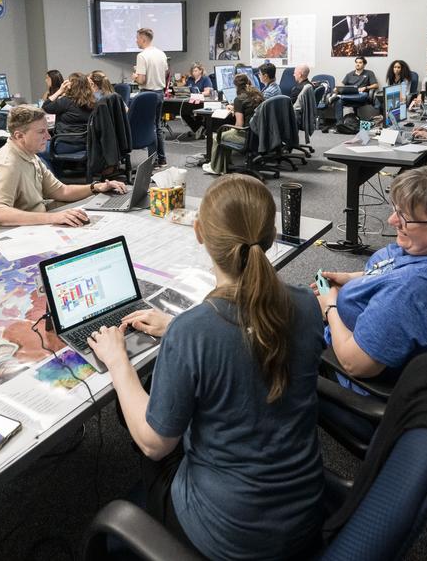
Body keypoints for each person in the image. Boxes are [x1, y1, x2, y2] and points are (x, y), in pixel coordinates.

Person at [87, 175, 325, 560]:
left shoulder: (194, 331)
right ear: (272, 234)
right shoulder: (306, 304)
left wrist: (118, 362)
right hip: (304, 511)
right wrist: (177, 332)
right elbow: (246, 340)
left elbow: (153, 444)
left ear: (198, 233)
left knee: (136, 413)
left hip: (228, 535)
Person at [315, 162, 427, 382]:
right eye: (396, 210)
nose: (392, 221)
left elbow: (355, 364)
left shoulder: (413, 290)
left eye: (405, 217)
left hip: (340, 362)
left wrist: (330, 306)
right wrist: (352, 277)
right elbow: (397, 271)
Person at [0, 104, 126, 227]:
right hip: (6, 233)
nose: (48, 136)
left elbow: (62, 191)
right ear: (19, 136)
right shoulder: (8, 165)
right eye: (41, 132)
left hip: (32, 219)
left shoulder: (29, 155)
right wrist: (53, 217)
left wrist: (95, 187)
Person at [203, 73, 263, 175]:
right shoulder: (257, 94)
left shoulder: (239, 99)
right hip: (258, 134)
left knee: (218, 136)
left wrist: (232, 127)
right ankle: (220, 165)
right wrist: (236, 109)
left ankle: (216, 167)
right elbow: (249, 110)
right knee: (226, 133)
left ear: (236, 86)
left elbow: (239, 125)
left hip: (246, 136)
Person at [40, 71, 95, 165]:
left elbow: (45, 106)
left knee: (34, 149)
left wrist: (60, 91)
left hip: (66, 143)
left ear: (70, 85)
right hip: (85, 143)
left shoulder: (67, 101)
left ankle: (54, 177)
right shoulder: (93, 102)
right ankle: (58, 173)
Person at [133, 28, 169, 168]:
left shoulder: (142, 56)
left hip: (147, 94)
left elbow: (141, 80)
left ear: (143, 39)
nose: (136, 41)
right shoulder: (161, 54)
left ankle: (152, 161)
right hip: (159, 93)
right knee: (157, 127)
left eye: (137, 38)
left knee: (150, 128)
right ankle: (161, 159)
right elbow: (165, 72)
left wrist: (135, 76)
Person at [330, 55, 378, 127]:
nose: (357, 64)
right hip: (349, 95)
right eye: (356, 62)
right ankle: (339, 124)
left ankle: (340, 96)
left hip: (361, 96)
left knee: (364, 95)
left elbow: (376, 85)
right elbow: (342, 85)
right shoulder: (349, 74)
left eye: (360, 62)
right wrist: (337, 89)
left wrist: (366, 87)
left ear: (364, 64)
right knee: (338, 101)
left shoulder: (369, 73)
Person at [179, 63, 213, 139]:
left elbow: (208, 92)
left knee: (198, 115)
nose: (194, 72)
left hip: (201, 102)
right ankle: (198, 128)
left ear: (201, 71)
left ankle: (199, 129)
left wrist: (198, 94)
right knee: (183, 112)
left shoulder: (205, 79)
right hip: (190, 101)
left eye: (196, 71)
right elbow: (185, 90)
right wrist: (183, 84)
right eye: (193, 71)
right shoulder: (190, 79)